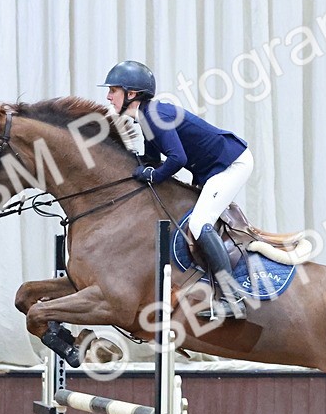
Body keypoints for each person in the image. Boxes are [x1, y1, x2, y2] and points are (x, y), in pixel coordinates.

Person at [100, 60, 253, 320]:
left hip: (232, 163)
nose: (108, 96)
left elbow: (176, 159)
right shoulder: (146, 120)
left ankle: (233, 298)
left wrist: (154, 175)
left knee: (199, 223)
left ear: (132, 94)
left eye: (113, 90)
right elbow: (150, 160)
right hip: (214, 167)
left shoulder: (155, 116)